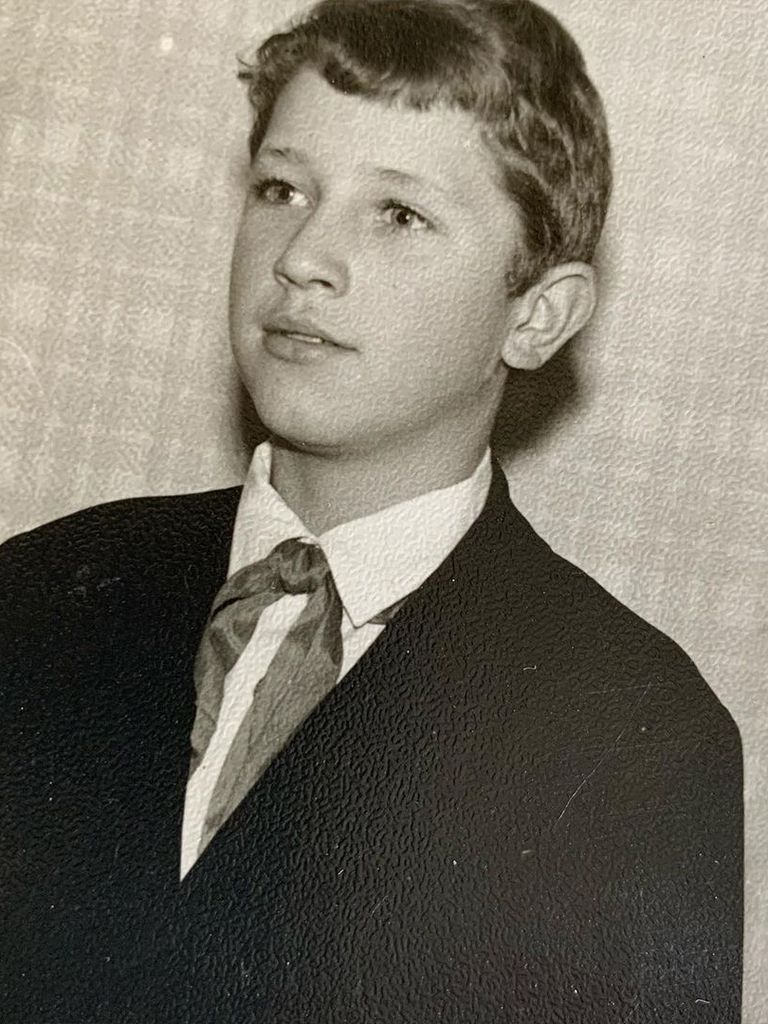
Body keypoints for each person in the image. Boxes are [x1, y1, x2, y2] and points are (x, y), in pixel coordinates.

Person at [0, 1, 743, 1021]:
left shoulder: (633, 741)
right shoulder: (39, 592)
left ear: (537, 316)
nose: (302, 254)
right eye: (282, 188)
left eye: (398, 213)